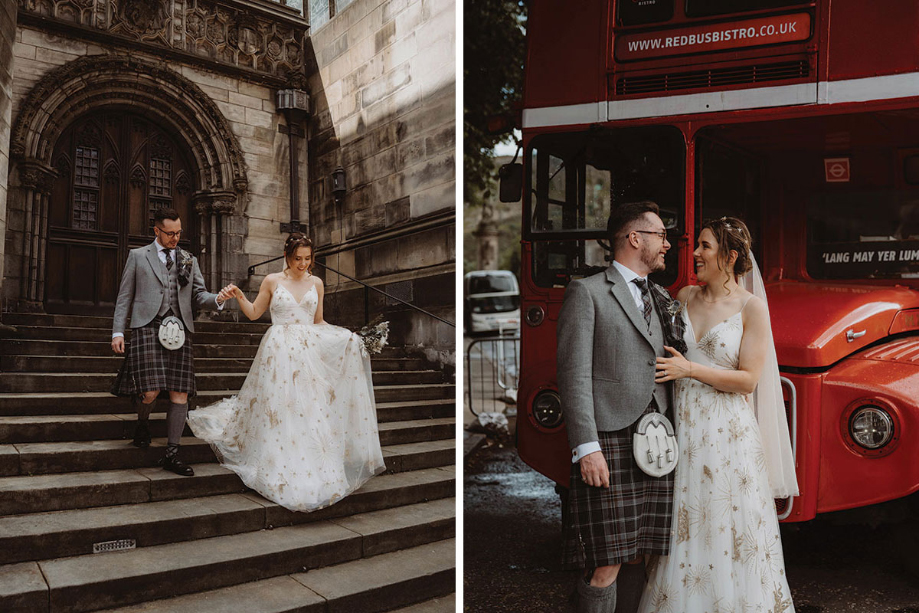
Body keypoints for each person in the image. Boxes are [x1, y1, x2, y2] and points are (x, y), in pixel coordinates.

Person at [640, 217, 798, 612]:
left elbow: (747, 380)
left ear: (729, 257)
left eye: (705, 247)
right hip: (685, 430)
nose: (694, 253)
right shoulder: (685, 296)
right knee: (686, 529)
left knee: (728, 530)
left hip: (728, 436)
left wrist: (690, 370)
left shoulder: (752, 308)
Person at [186, 233, 385, 512]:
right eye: (297, 259)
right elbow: (255, 313)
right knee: (280, 408)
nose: (302, 264)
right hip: (278, 352)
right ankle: (277, 461)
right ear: (287, 256)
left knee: (309, 408)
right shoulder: (272, 280)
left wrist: (347, 338)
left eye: (307, 258)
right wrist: (241, 296)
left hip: (307, 354)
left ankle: (315, 466)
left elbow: (318, 321)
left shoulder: (317, 282)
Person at [558, 201, 685, 613]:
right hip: (610, 438)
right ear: (635, 238)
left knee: (641, 555)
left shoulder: (662, 296)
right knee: (605, 563)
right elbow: (574, 374)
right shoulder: (588, 291)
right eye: (661, 236)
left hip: (657, 442)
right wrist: (586, 447)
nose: (667, 245)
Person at [112, 207, 235, 476]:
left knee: (180, 394)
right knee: (150, 392)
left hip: (179, 330)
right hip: (147, 326)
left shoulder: (188, 259)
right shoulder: (137, 256)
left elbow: (199, 295)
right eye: (170, 233)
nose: (175, 238)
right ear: (156, 230)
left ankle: (172, 454)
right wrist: (118, 332)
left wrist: (219, 298)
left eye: (178, 233)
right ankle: (142, 423)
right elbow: (125, 297)